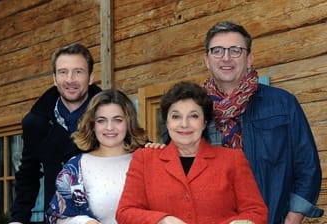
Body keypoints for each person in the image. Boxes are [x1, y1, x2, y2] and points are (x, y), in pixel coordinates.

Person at [202, 21, 323, 223]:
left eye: (235, 50)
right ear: (207, 60)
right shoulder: (194, 110)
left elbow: (307, 166)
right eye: (217, 51)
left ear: (250, 58)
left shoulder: (283, 103)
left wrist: (293, 218)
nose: (226, 57)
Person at [116, 81, 268, 224]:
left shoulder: (232, 159)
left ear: (205, 123)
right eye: (176, 116)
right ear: (167, 122)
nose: (184, 124)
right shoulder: (145, 159)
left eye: (193, 116)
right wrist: (161, 220)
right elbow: (125, 212)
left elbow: (256, 211)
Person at [9, 43, 102, 224]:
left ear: (90, 77)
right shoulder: (36, 123)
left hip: (104, 217)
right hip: (58, 217)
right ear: (54, 78)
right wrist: (18, 219)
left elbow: (135, 153)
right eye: (63, 72)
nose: (70, 79)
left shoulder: (111, 116)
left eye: (78, 72)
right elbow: (28, 174)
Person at [45, 89, 148, 224]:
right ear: (92, 125)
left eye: (117, 120)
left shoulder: (147, 161)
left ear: (129, 123)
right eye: (101, 120)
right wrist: (83, 222)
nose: (109, 127)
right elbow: (55, 217)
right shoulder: (75, 168)